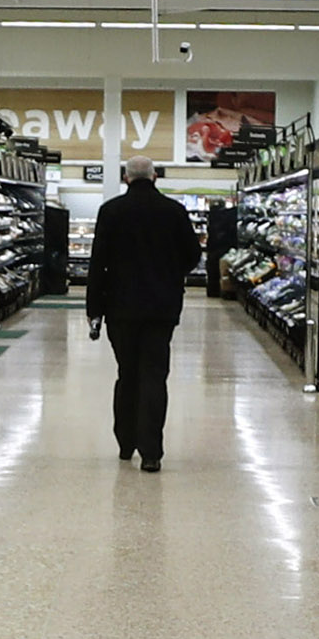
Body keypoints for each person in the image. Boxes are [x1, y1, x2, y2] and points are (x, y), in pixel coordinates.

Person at [86, 159, 197, 472]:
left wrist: (94, 309)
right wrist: (170, 276)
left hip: (120, 308)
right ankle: (151, 453)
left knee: (127, 374)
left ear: (125, 178)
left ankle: (125, 443)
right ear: (155, 177)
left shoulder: (111, 211)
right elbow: (193, 255)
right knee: (154, 375)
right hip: (162, 308)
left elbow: (98, 263)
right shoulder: (174, 211)